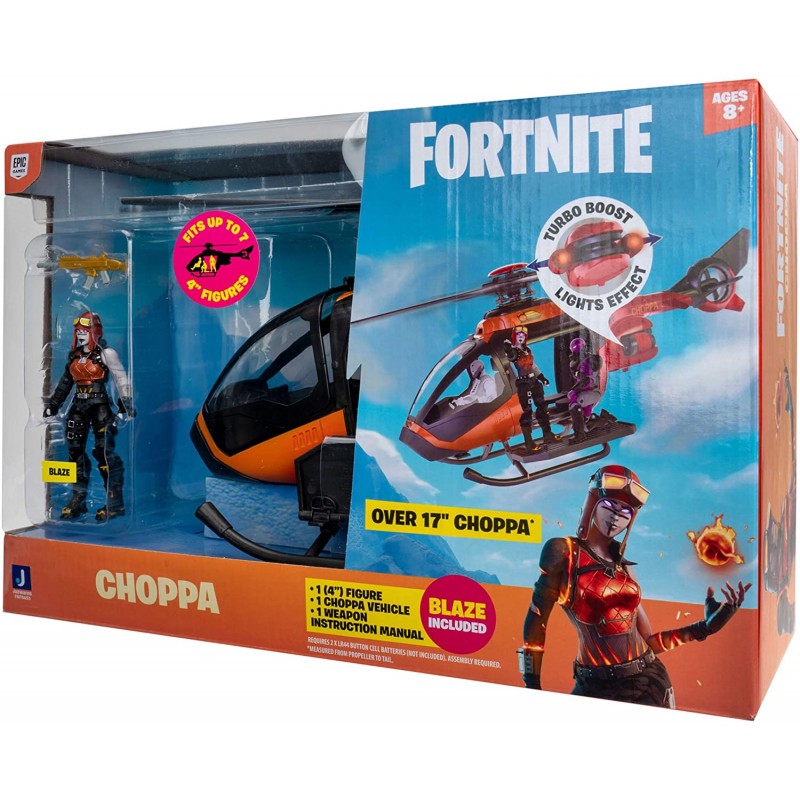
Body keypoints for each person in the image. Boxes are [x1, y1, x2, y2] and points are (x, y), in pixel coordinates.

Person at [518, 465, 750, 707]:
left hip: (651, 683)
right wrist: (531, 686)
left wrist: (705, 628)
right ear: (592, 503)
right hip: (592, 686)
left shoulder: (625, 568)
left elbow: (649, 641)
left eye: (625, 511)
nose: (616, 516)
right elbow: (536, 620)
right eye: (610, 505)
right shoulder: (563, 552)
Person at [44, 311, 134, 521]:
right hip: (78, 405)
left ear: (95, 331)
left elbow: (121, 377)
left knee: (104, 453)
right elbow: (65, 383)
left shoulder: (106, 354)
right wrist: (53, 405)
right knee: (75, 453)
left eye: (85, 331)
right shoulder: (75, 356)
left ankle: (114, 502)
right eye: (78, 331)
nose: (81, 335)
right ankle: (78, 500)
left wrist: (126, 403)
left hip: (100, 406)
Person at [504, 327, 557, 451]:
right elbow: (511, 357)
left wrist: (542, 377)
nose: (521, 337)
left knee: (542, 406)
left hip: (534, 381)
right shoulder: (514, 351)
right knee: (527, 411)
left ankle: (547, 434)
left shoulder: (527, 350)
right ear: (514, 337)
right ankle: (529, 442)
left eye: (523, 335)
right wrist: (508, 349)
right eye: (518, 335)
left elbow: (533, 366)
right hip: (524, 383)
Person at [567, 338, 602, 442]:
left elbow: (588, 380)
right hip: (587, 391)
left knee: (576, 400)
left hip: (593, 391)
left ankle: (579, 435)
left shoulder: (588, 361)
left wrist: (576, 389)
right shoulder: (575, 363)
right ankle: (588, 422)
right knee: (576, 397)